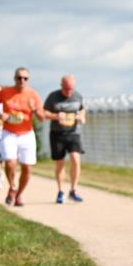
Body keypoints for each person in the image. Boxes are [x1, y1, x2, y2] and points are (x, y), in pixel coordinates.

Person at [0, 67, 49, 207]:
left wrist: (34, 109)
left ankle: (18, 195)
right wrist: (0, 114)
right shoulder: (5, 92)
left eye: (25, 78)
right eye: (19, 78)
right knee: (10, 162)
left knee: (27, 168)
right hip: (9, 132)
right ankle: (12, 187)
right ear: (14, 78)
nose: (22, 80)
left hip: (27, 134)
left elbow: (42, 118)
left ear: (28, 80)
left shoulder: (33, 95)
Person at [43, 74, 87, 203]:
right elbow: (44, 113)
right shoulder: (53, 97)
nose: (69, 92)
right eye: (67, 89)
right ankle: (61, 191)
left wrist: (81, 117)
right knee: (60, 162)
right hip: (57, 133)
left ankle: (73, 190)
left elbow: (82, 109)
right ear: (61, 85)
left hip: (74, 133)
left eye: (71, 89)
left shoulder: (77, 96)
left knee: (76, 159)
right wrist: (56, 116)